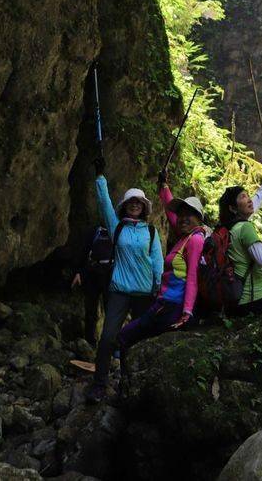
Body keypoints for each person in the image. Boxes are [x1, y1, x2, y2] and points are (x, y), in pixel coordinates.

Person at [86, 159, 163, 403]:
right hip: (119, 291)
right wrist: (100, 177)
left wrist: (158, 287)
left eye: (138, 202)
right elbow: (104, 203)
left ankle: (132, 384)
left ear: (143, 207)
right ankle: (99, 384)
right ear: (125, 206)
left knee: (139, 340)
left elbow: (157, 260)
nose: (134, 205)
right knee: (108, 337)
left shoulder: (150, 232)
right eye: (131, 202)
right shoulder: (117, 227)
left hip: (144, 293)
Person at [116, 192, 205, 358]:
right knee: (135, 340)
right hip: (165, 302)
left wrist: (187, 312)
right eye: (181, 215)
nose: (183, 218)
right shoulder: (185, 237)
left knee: (124, 336)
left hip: (172, 305)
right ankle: (125, 377)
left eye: (189, 215)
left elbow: (192, 276)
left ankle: (123, 379)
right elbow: (174, 217)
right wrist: (164, 189)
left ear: (199, 218)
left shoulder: (195, 240)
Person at [216, 183, 262, 316]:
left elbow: (254, 203)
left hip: (237, 299)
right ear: (233, 208)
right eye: (243, 197)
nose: (249, 200)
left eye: (248, 196)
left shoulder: (229, 229)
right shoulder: (245, 228)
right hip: (256, 299)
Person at [71, 224, 112, 346]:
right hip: (92, 273)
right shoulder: (95, 231)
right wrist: (79, 272)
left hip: (110, 274)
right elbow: (84, 252)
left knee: (110, 310)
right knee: (90, 310)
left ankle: (109, 342)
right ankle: (90, 341)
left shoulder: (119, 230)